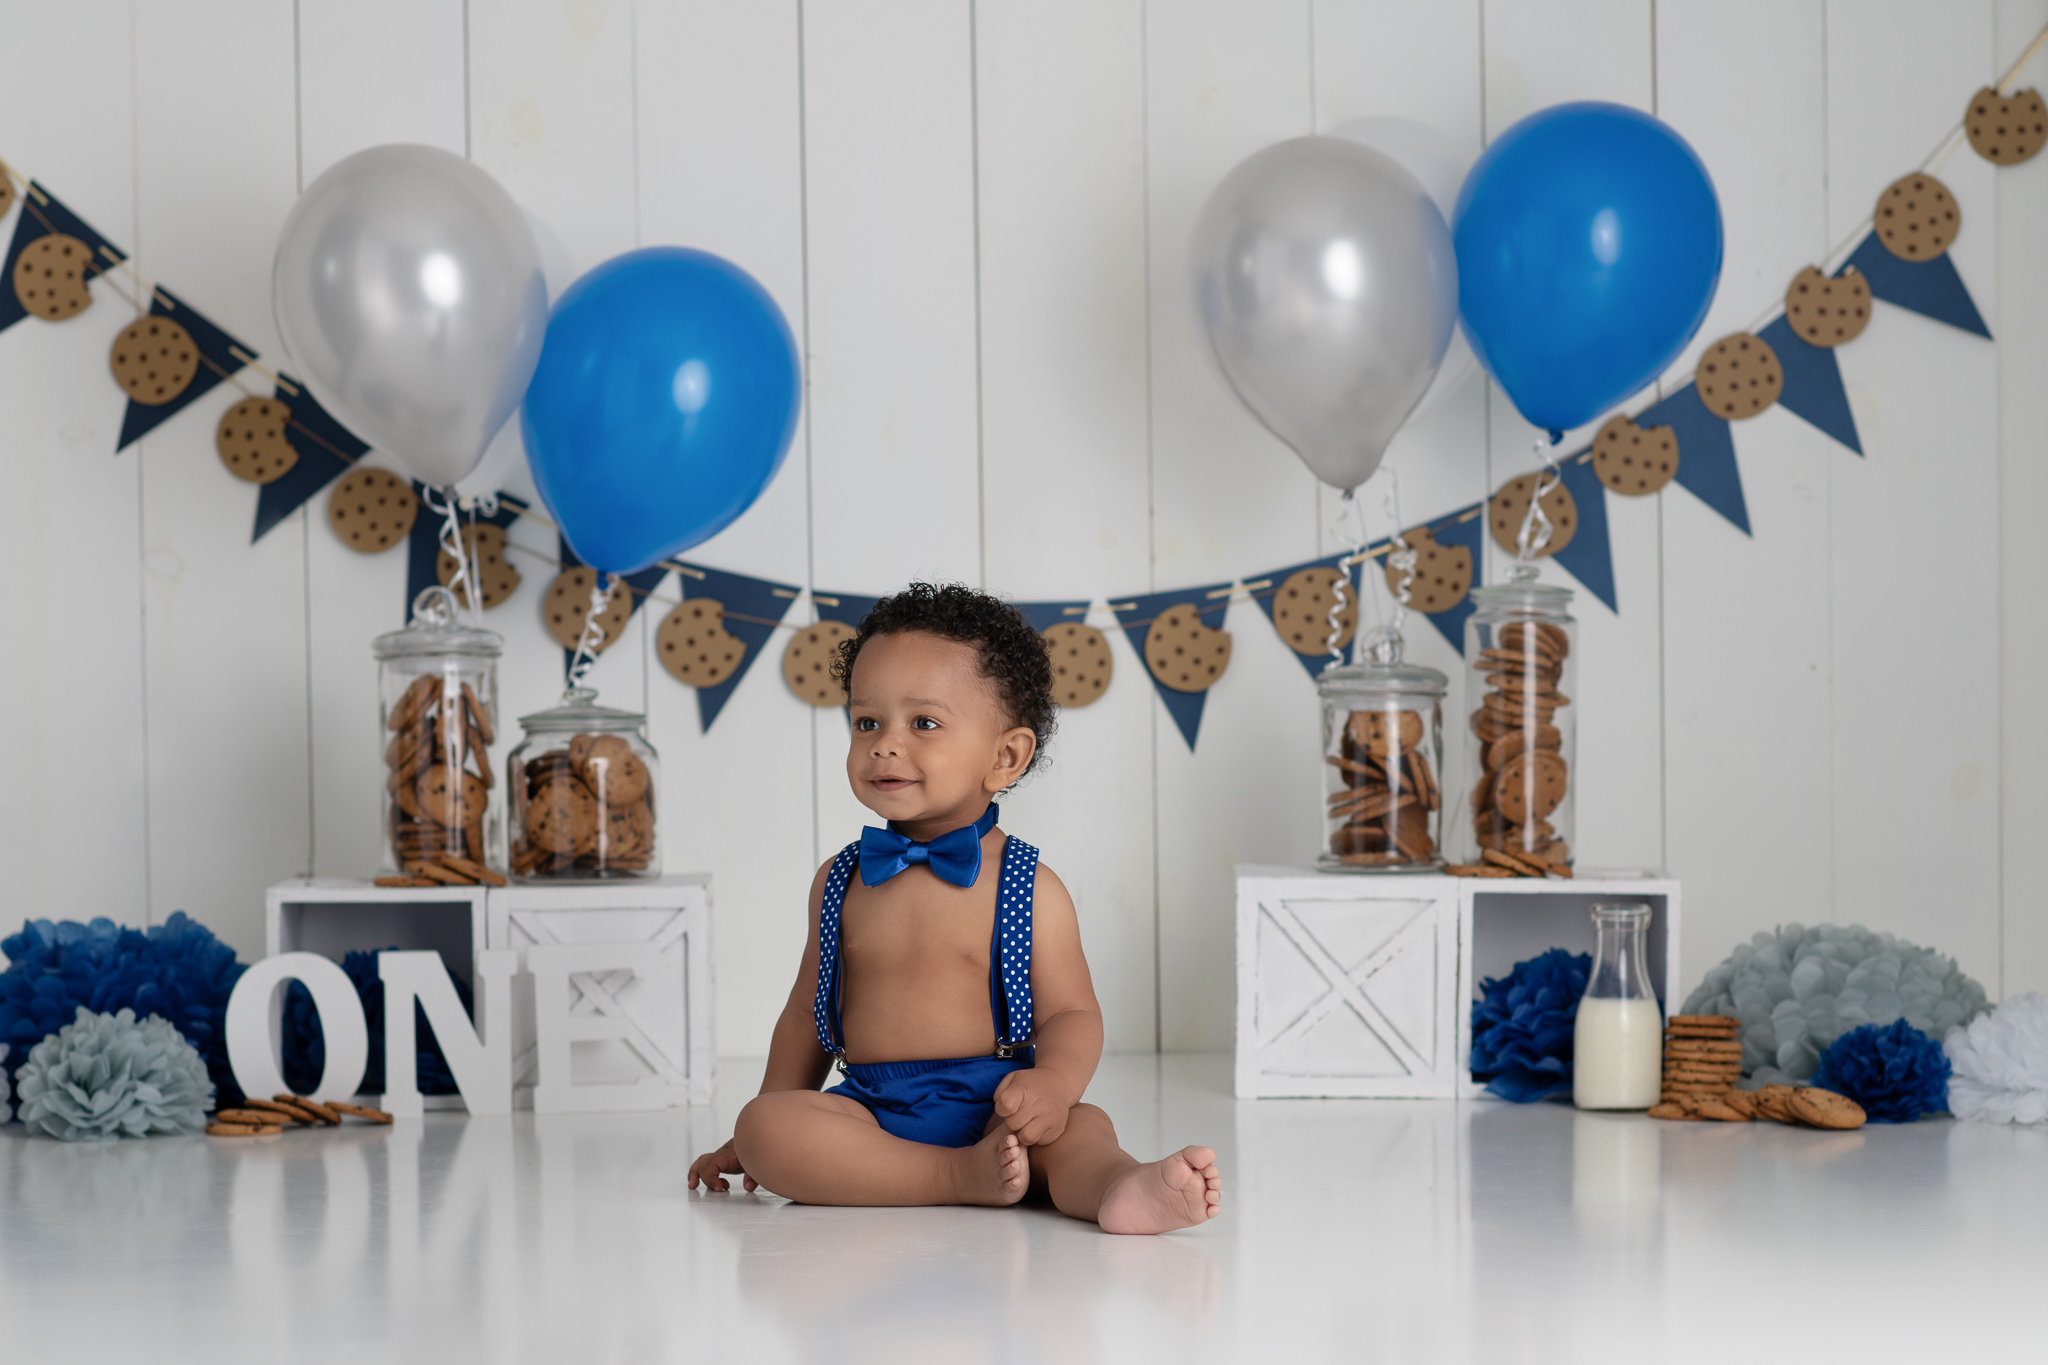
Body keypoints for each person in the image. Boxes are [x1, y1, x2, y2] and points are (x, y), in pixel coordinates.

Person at [689, 583, 1222, 1233]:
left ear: (1005, 756)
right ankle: (952, 1177)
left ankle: (1122, 1186)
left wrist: (1052, 1084)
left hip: (1002, 1104)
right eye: (867, 722)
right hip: (874, 1113)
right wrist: (751, 1139)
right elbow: (807, 1013)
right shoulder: (840, 880)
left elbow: (1073, 1013)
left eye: (924, 722)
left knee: (1080, 1132)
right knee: (770, 1127)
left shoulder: (1029, 887)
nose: (885, 743)